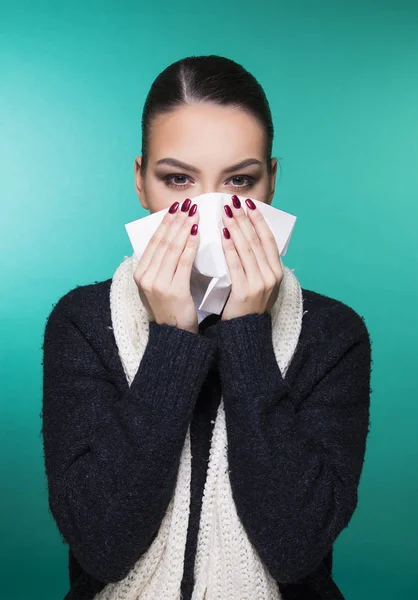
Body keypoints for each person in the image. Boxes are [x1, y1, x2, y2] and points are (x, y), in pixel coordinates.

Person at [41, 55, 372, 600]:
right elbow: (102, 545)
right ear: (141, 183)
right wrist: (172, 342)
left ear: (270, 185)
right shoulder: (84, 323)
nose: (210, 210)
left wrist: (246, 332)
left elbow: (294, 550)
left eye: (240, 180)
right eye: (177, 179)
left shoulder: (332, 335)